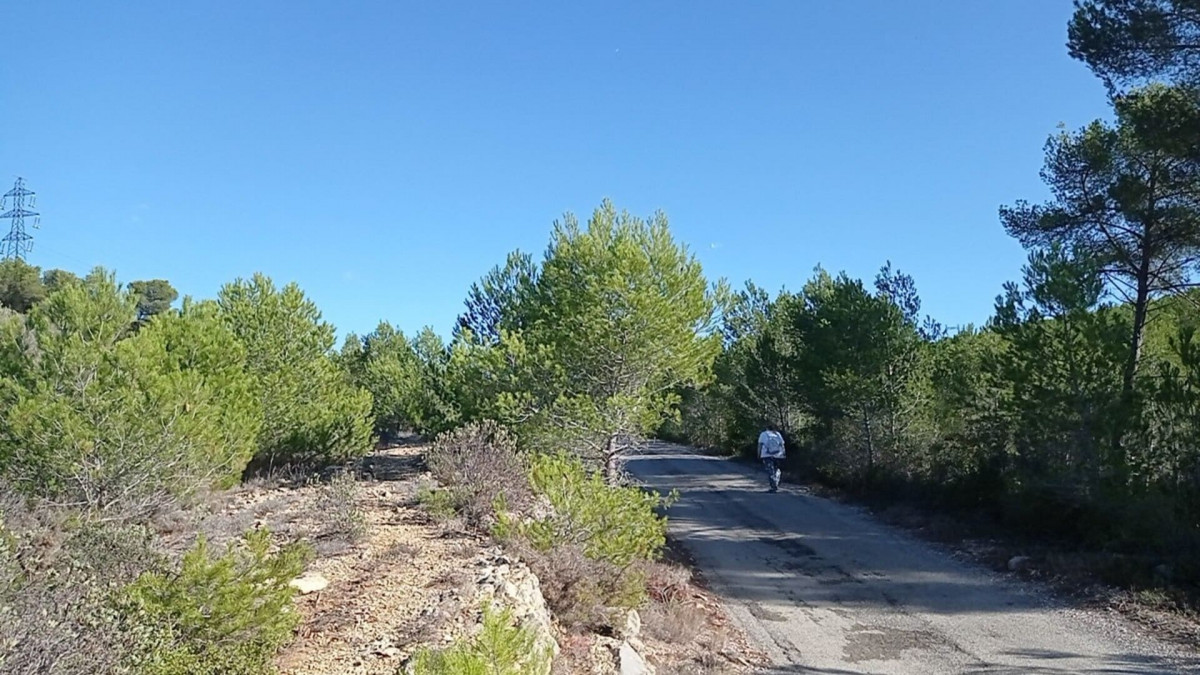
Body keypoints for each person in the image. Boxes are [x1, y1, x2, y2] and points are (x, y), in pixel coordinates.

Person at [757, 426, 785, 492]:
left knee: (770, 471)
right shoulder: (778, 434)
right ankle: (776, 482)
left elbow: (760, 445)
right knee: (777, 469)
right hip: (778, 455)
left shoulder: (763, 434)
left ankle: (773, 486)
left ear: (767, 428)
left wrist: (759, 454)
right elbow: (782, 445)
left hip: (767, 455)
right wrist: (783, 453)